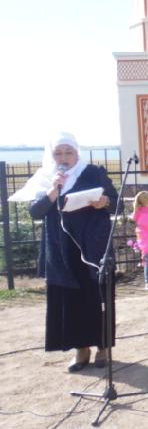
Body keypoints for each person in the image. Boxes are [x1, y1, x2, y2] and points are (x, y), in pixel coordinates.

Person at [10, 132, 118, 372]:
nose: (64, 157)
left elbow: (114, 199)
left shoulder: (92, 172)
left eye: (69, 152)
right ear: (51, 156)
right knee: (71, 301)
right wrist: (53, 190)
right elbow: (35, 212)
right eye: (58, 153)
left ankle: (103, 347)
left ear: (77, 153)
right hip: (61, 250)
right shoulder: (45, 178)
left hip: (93, 247)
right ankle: (81, 349)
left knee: (97, 297)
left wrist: (104, 201)